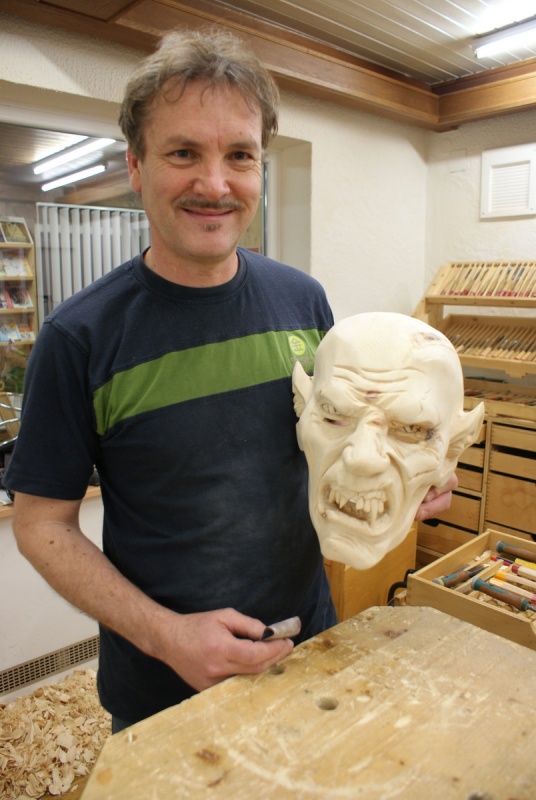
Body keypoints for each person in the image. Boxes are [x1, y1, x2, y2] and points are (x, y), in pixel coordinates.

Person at [5, 29, 455, 732]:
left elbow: (336, 444)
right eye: (183, 153)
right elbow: (41, 524)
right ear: (136, 165)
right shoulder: (79, 337)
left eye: (239, 155)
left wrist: (410, 468)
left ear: (260, 167)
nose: (215, 185)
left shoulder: (304, 303)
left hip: (306, 646)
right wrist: (165, 635)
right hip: (163, 686)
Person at [293, 312, 484, 570]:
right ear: (302, 408)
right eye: (333, 413)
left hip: (303, 576)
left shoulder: (306, 304)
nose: (363, 459)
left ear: (452, 450)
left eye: (411, 429)